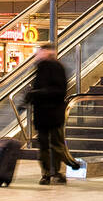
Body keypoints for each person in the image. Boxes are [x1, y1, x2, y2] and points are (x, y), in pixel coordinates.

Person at [24, 44, 69, 186]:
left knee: (55, 144)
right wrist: (31, 96)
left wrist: (38, 94)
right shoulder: (41, 68)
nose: (37, 54)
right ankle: (47, 173)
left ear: (48, 52)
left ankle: (55, 172)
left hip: (53, 113)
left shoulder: (56, 68)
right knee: (45, 144)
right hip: (42, 114)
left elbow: (59, 91)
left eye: (40, 52)